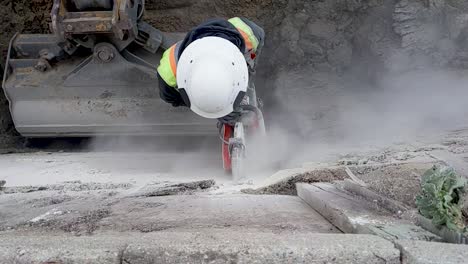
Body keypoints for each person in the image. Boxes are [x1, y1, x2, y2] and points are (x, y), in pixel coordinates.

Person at [156, 17, 264, 124]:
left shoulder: (250, 35)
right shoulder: (168, 70)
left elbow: (260, 38)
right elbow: (171, 97)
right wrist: (204, 104)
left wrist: (248, 78)